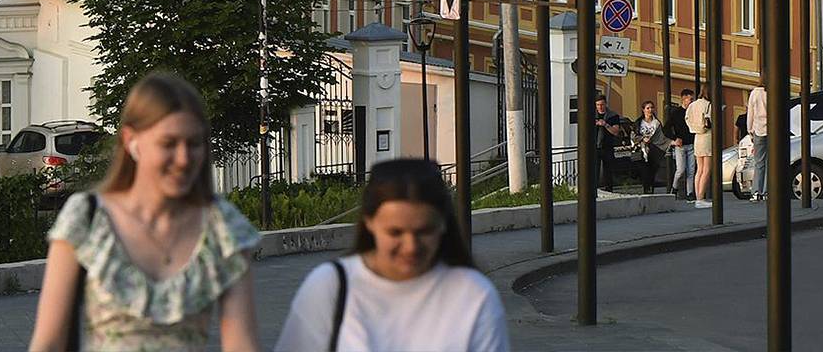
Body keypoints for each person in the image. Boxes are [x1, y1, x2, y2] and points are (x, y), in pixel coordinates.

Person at [30, 73, 260, 352]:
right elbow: (48, 343)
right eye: (169, 144)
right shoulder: (87, 218)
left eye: (194, 143)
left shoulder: (223, 227)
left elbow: (242, 344)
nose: (184, 158)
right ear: (131, 141)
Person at [273, 158, 508, 352]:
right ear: (369, 222)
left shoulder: (474, 295)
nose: (410, 247)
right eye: (395, 232)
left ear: (444, 225)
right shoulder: (329, 287)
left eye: (424, 231)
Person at [662, 88, 695, 200]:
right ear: (683, 99)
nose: (692, 101)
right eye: (690, 99)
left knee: (691, 170)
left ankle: (690, 193)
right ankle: (674, 188)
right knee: (680, 170)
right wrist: (674, 139)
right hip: (680, 145)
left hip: (691, 144)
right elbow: (666, 128)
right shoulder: (676, 113)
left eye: (692, 99)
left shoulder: (693, 112)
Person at [685, 82, 713, 209]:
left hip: (697, 136)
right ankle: (701, 197)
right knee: (707, 169)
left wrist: (693, 128)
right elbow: (711, 121)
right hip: (707, 136)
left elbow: (687, 118)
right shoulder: (709, 105)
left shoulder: (693, 105)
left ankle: (698, 196)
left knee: (699, 169)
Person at [634, 100, 670, 194]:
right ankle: (646, 189)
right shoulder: (638, 123)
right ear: (643, 110)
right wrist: (642, 139)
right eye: (648, 108)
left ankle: (651, 190)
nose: (650, 110)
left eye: (651, 108)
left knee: (653, 171)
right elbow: (633, 136)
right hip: (642, 150)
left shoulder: (656, 123)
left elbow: (662, 136)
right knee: (644, 171)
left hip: (655, 150)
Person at [593, 93, 624, 193]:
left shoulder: (613, 116)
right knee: (594, 169)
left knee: (608, 169)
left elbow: (616, 131)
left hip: (608, 145)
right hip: (595, 146)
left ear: (605, 104)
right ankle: (594, 189)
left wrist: (605, 124)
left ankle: (609, 189)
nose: (600, 107)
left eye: (602, 104)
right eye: (598, 105)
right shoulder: (592, 114)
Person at [747, 78, 769, 201]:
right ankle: (767, 191)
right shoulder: (772, 91)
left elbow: (750, 113)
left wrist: (750, 130)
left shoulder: (755, 93)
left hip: (758, 130)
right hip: (772, 130)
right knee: (770, 162)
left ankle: (756, 191)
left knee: (759, 163)